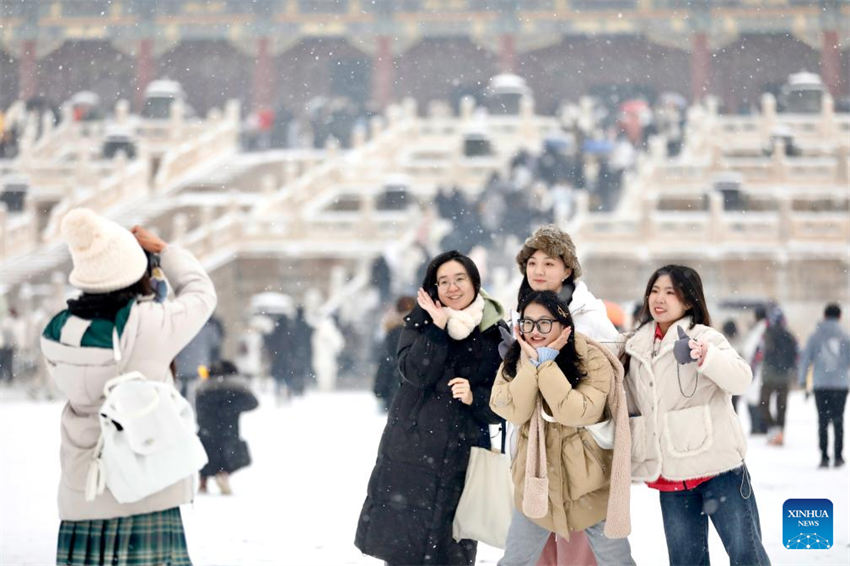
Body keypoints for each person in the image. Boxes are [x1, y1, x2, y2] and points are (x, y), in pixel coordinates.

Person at [41, 208, 216, 565]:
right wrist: (164, 251)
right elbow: (201, 293)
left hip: (84, 491)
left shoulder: (58, 332)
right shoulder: (150, 323)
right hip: (144, 487)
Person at [355, 250, 507, 565]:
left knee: (453, 550)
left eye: (459, 279)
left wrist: (475, 397)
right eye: (443, 281)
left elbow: (505, 401)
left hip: (463, 456)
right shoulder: (418, 324)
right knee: (404, 548)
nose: (452, 288)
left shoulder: (495, 333)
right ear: (433, 287)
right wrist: (437, 330)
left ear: (474, 282)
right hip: (411, 454)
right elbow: (415, 373)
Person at [622, 265, 770, 565]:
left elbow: (742, 379)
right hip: (673, 475)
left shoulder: (705, 337)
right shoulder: (635, 344)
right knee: (686, 561)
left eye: (669, 292)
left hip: (720, 469)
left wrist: (706, 356)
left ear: (688, 301)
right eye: (654, 291)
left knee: (747, 556)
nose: (658, 299)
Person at [491, 291, 633, 566]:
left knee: (617, 561)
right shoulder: (516, 359)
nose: (535, 331)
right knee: (514, 561)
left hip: (588, 483)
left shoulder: (592, 358)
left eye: (544, 323)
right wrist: (532, 365)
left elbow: (576, 411)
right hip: (535, 483)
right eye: (528, 323)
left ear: (564, 325)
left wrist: (546, 365)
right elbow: (511, 409)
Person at [511, 224, 619, 566]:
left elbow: (609, 376)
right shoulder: (522, 311)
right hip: (534, 443)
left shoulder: (589, 317)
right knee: (536, 540)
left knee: (578, 545)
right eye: (532, 264)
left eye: (549, 263)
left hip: (578, 444)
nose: (538, 271)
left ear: (567, 268)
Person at [797, 303, 850, 468]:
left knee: (822, 420)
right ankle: (838, 456)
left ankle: (824, 456)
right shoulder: (845, 336)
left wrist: (802, 380)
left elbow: (805, 359)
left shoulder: (815, 336)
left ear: (824, 315)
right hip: (840, 385)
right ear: (840, 316)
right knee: (839, 420)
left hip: (821, 385)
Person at [196, 360, 259, 494]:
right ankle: (223, 475)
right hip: (229, 429)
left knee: (205, 453)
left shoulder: (204, 389)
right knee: (229, 454)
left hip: (207, 429)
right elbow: (253, 403)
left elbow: (198, 408)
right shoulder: (236, 389)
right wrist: (232, 408)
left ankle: (203, 482)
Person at [759, 308, 797, 446]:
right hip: (784, 377)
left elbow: (762, 352)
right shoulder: (789, 336)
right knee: (782, 407)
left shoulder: (767, 334)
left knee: (763, 403)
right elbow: (795, 356)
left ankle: (774, 430)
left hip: (769, 375)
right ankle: (779, 433)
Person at [373, 295, 416, 412]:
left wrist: (380, 389)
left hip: (395, 390)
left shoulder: (393, 332)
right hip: (417, 393)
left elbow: (386, 361)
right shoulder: (423, 332)